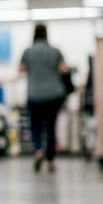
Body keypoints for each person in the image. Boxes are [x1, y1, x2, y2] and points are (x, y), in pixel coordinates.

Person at [19, 23, 69, 172]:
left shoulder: (27, 52)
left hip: (34, 95)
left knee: (36, 126)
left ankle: (38, 151)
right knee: (51, 127)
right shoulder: (55, 51)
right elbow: (64, 69)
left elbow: (21, 69)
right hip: (54, 95)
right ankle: (51, 161)